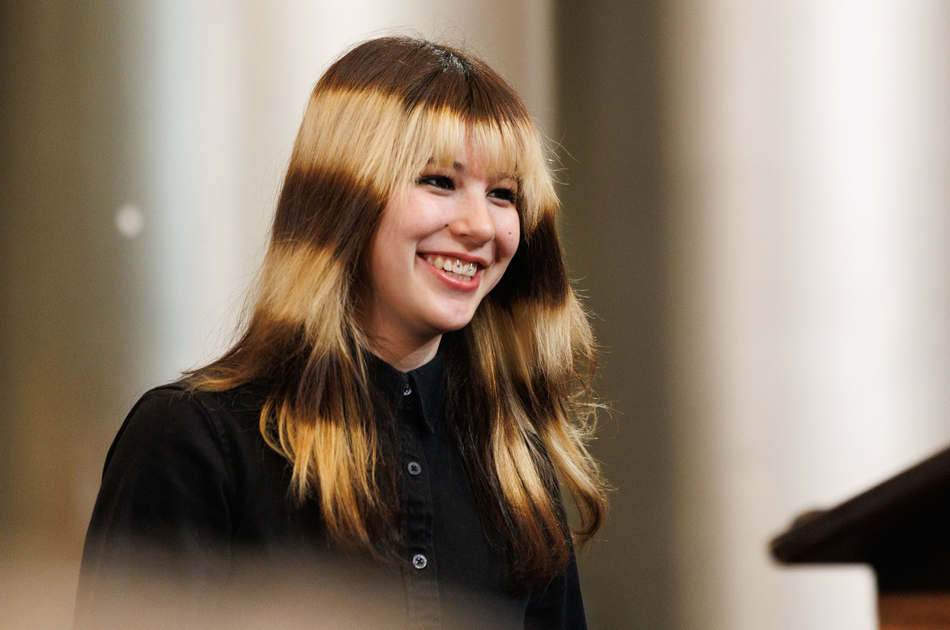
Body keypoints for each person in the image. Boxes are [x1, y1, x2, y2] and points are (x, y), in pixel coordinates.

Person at [76, 36, 607, 630]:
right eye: (438, 181)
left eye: (504, 194)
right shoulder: (193, 442)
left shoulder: (513, 467)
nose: (480, 225)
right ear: (343, 197)